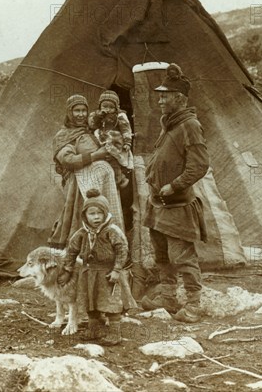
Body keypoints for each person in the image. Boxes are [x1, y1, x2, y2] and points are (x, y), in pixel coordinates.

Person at [141, 63, 209, 323]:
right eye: (160, 95)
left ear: (179, 100)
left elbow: (199, 164)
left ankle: (194, 304)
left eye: (164, 96)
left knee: (183, 256)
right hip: (158, 203)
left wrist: (175, 185)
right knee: (161, 253)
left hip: (176, 204)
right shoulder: (170, 122)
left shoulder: (189, 125)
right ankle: (168, 296)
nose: (159, 100)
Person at [58, 189, 137, 345]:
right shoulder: (82, 233)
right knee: (90, 301)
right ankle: (94, 329)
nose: (96, 217)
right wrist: (67, 270)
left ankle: (115, 333)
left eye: (99, 213)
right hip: (89, 272)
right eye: (92, 213)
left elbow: (122, 250)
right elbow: (71, 251)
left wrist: (116, 270)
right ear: (85, 215)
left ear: (105, 213)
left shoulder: (112, 231)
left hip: (108, 273)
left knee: (110, 302)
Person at [48, 95, 125, 248]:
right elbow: (67, 160)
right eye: (77, 110)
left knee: (102, 219)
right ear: (69, 112)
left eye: (84, 110)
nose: (81, 114)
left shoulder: (91, 132)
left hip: (100, 185)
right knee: (81, 220)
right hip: (79, 187)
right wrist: (96, 155)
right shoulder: (64, 136)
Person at [88, 90, 134, 189]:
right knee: (102, 159)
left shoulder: (120, 116)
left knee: (114, 161)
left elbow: (126, 129)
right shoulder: (98, 115)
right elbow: (92, 125)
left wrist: (127, 142)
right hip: (102, 140)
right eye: (105, 106)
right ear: (100, 106)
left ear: (116, 107)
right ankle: (103, 181)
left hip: (114, 142)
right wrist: (98, 116)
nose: (108, 109)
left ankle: (119, 179)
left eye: (111, 107)